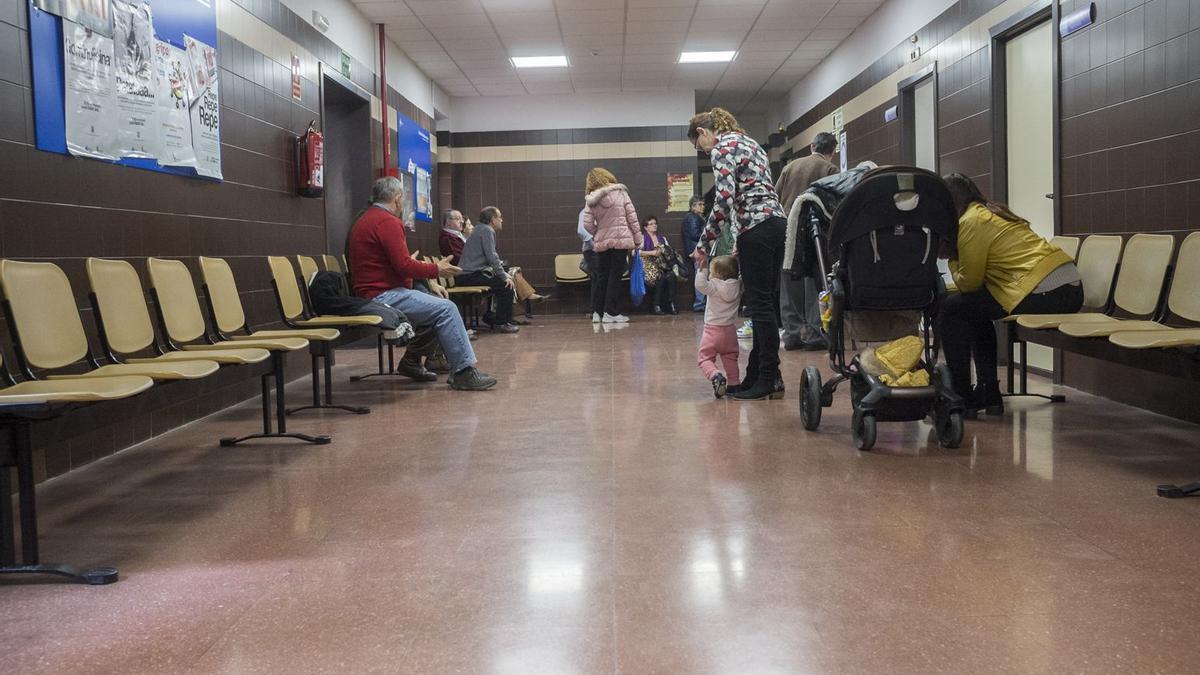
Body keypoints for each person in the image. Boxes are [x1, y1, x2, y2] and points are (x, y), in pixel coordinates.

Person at [939, 173, 1082, 417]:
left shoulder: (971, 222)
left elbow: (970, 284)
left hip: (1046, 289)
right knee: (972, 310)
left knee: (952, 310)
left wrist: (952, 258)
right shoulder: (991, 212)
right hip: (1067, 288)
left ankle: (963, 396)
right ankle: (988, 393)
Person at [348, 176, 497, 391]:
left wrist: (420, 269)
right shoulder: (387, 222)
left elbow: (393, 264)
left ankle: (412, 361)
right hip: (382, 295)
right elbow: (404, 266)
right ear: (398, 199)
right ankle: (464, 372)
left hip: (372, 292)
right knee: (446, 308)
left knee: (435, 304)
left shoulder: (364, 219)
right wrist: (436, 269)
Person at [688, 108, 786, 400]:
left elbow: (724, 199)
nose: (704, 152)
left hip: (755, 229)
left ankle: (769, 377)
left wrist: (704, 244)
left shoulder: (721, 147)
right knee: (766, 304)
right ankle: (760, 374)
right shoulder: (751, 143)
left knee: (761, 307)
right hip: (777, 224)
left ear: (703, 132)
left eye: (699, 146)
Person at [777, 132, 839, 352]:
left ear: (812, 146)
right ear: (832, 152)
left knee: (788, 281)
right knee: (814, 281)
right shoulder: (829, 169)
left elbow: (775, 196)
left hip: (788, 228)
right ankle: (815, 333)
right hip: (815, 231)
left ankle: (792, 333)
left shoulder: (790, 167)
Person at [582, 167, 641, 323]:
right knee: (615, 277)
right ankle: (611, 313)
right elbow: (632, 218)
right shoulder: (621, 193)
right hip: (621, 241)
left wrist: (599, 232)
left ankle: (597, 313)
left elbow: (586, 224)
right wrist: (638, 239)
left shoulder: (591, 200)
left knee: (601, 277)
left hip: (602, 243)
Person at [456, 206, 520, 333]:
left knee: (501, 283)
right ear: (492, 219)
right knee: (506, 285)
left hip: (467, 274)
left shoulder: (480, 229)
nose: (502, 220)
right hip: (469, 275)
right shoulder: (486, 230)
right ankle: (502, 323)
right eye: (500, 217)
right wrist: (504, 276)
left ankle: (493, 317)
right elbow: (491, 256)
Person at [695, 255, 742, 398]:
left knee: (704, 359)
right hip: (730, 331)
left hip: (712, 331)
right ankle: (734, 385)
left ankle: (716, 376)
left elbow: (700, 285)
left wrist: (701, 269)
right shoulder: (739, 286)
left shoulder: (714, 287)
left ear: (717, 274)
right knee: (730, 358)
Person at [638, 216, 678, 315]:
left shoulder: (662, 238)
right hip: (649, 267)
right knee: (661, 277)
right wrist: (651, 253)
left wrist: (664, 251)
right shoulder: (642, 238)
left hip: (663, 265)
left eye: (655, 223)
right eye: (651, 224)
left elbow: (669, 252)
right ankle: (656, 305)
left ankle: (671, 304)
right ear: (645, 227)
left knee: (671, 276)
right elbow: (635, 253)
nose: (654, 226)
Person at [681, 195, 707, 312]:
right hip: (697, 251)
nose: (703, 207)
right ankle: (700, 304)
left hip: (694, 250)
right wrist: (708, 231)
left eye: (703, 204)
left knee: (700, 276)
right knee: (701, 276)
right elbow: (695, 234)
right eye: (699, 204)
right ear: (692, 206)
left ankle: (700, 303)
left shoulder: (693, 217)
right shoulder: (693, 218)